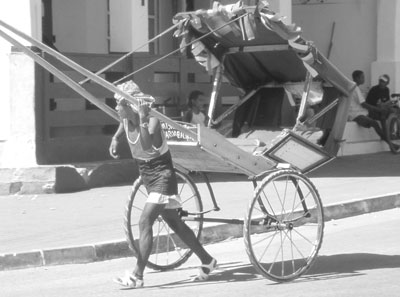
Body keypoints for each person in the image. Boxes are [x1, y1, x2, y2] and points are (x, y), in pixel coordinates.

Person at [109, 80, 217, 289]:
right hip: (148, 176)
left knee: (144, 222)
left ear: (129, 105)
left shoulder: (152, 122)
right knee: (175, 223)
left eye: (119, 105)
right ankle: (207, 261)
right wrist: (115, 138)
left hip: (162, 175)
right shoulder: (127, 119)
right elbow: (122, 124)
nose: (115, 109)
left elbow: (147, 144)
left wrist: (141, 118)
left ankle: (137, 275)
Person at [348, 70, 399, 153]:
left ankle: (387, 135)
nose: (364, 79)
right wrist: (379, 109)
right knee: (375, 122)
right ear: (357, 78)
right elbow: (365, 104)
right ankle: (389, 143)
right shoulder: (357, 88)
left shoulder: (354, 87)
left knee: (385, 114)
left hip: (363, 112)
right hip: (356, 114)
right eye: (362, 77)